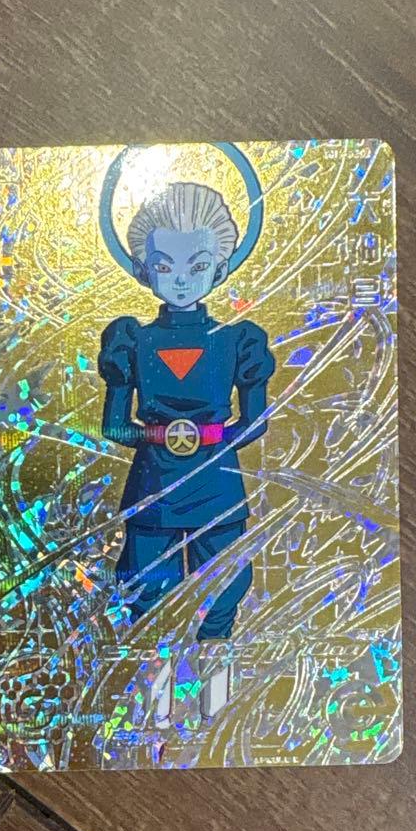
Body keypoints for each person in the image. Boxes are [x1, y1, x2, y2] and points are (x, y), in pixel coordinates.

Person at [98, 180, 275, 722]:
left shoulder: (237, 340)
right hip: (154, 486)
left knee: (222, 595)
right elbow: (114, 425)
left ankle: (214, 714)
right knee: (149, 597)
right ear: (143, 269)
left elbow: (256, 421)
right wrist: (161, 437)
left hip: (217, 485)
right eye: (165, 265)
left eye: (197, 266)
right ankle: (155, 716)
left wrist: (209, 439)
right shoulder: (132, 339)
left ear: (220, 269)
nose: (180, 279)